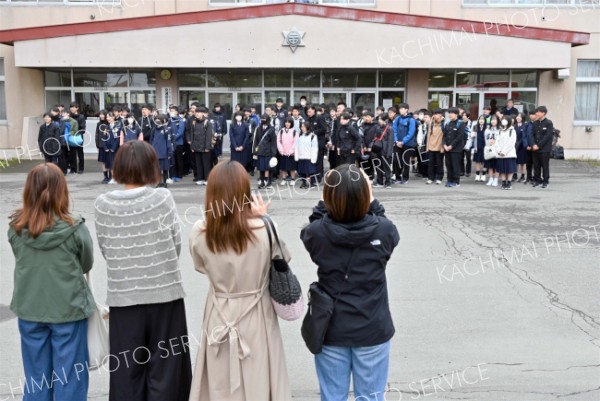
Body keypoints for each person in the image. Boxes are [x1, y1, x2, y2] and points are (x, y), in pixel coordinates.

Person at [94, 141, 192, 401]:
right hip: (165, 296)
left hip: (124, 298)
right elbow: (176, 243)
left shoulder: (103, 204)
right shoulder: (162, 197)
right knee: (167, 371)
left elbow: (106, 248)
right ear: (152, 165)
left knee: (127, 373)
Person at [188, 161, 292, 401]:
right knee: (259, 376)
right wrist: (260, 218)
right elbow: (281, 258)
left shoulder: (200, 232)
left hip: (219, 310)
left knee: (219, 379)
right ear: (245, 193)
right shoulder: (265, 229)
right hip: (256, 311)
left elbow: (200, 266)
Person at [300, 164, 399, 401]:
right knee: (371, 397)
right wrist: (372, 199)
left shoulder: (317, 234)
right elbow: (383, 223)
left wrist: (329, 198)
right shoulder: (384, 231)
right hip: (372, 327)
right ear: (366, 195)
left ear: (328, 196)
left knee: (333, 396)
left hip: (331, 328)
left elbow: (315, 221)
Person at [9, 163, 95, 401]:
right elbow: (86, 263)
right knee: (70, 377)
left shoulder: (15, 228)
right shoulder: (75, 227)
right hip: (68, 308)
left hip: (30, 308)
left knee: (36, 376)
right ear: (62, 190)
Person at [187, 106, 214, 186]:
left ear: (203, 113)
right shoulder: (194, 122)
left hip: (205, 147)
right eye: (196, 112)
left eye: (198, 112)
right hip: (196, 146)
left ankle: (207, 179)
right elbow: (192, 134)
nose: (196, 114)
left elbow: (209, 136)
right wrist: (192, 146)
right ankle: (200, 178)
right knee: (198, 163)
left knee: (206, 164)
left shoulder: (207, 123)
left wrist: (207, 147)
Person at [392, 103, 417, 185]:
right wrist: (396, 141)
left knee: (405, 161)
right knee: (396, 160)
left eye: (402, 108)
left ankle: (405, 178)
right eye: (400, 109)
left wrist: (403, 142)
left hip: (408, 144)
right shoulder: (398, 119)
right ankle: (398, 177)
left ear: (407, 109)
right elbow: (394, 130)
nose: (400, 110)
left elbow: (411, 133)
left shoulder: (411, 120)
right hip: (397, 143)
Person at [253, 113, 277, 189]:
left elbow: (273, 142)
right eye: (262, 119)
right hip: (260, 151)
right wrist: (255, 151)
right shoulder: (258, 128)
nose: (263, 121)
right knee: (261, 167)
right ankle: (262, 180)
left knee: (269, 167)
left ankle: (269, 182)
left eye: (265, 119)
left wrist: (273, 153)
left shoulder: (272, 129)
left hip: (268, 152)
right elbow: (255, 141)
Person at [443, 107, 465, 188]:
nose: (449, 115)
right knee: (448, 165)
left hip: (456, 149)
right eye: (449, 113)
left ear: (456, 114)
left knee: (455, 165)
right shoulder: (448, 123)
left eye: (451, 113)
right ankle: (449, 180)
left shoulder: (461, 123)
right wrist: (444, 145)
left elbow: (459, 137)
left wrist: (451, 146)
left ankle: (456, 181)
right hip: (447, 148)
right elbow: (444, 135)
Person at [532, 106, 553, 189]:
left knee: (545, 165)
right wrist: (533, 144)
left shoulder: (548, 123)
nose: (537, 113)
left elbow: (547, 136)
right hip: (535, 148)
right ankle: (537, 180)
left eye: (539, 112)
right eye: (536, 112)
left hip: (544, 149)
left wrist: (539, 145)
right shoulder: (535, 123)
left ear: (543, 113)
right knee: (536, 165)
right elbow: (532, 135)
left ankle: (545, 181)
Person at [371, 114, 394, 189]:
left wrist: (389, 153)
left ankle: (388, 182)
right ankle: (379, 181)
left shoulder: (390, 129)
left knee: (386, 167)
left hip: (386, 151)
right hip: (378, 150)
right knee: (378, 166)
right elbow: (375, 138)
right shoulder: (378, 128)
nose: (378, 121)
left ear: (385, 120)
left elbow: (391, 142)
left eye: (380, 119)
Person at [151, 114, 175, 188]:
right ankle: (158, 182)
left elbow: (168, 141)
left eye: (158, 119)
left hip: (164, 152)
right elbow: (151, 140)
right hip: (155, 152)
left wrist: (169, 152)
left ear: (163, 121)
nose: (157, 121)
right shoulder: (154, 129)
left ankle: (164, 182)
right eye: (156, 119)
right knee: (157, 169)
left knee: (164, 168)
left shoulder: (166, 129)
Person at [295, 121, 319, 189]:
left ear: (307, 127)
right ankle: (304, 182)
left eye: (303, 127)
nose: (302, 128)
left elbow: (315, 148)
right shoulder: (300, 136)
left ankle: (311, 183)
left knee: (310, 171)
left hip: (309, 156)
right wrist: (297, 155)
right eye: (301, 127)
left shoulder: (313, 136)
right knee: (301, 171)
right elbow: (297, 146)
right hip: (301, 156)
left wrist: (313, 158)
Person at [496, 115, 518, 190]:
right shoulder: (499, 130)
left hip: (509, 153)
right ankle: (503, 182)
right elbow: (497, 141)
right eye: (503, 119)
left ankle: (509, 182)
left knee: (509, 169)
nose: (503, 120)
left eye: (505, 119)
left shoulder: (512, 130)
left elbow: (512, 142)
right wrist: (499, 150)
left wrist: (504, 151)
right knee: (502, 169)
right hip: (500, 153)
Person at [277, 117, 299, 185]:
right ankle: (284, 179)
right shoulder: (281, 131)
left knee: (292, 167)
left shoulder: (295, 132)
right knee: (283, 167)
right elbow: (278, 141)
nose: (287, 124)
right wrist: (281, 150)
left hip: (291, 153)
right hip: (283, 153)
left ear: (291, 123)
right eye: (286, 122)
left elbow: (296, 142)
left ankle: (293, 179)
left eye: (289, 122)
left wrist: (291, 151)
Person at [426, 109, 445, 185]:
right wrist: (427, 146)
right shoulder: (431, 123)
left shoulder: (444, 123)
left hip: (440, 146)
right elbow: (428, 135)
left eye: (437, 114)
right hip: (431, 146)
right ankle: (430, 178)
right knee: (430, 163)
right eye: (434, 114)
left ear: (440, 115)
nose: (435, 116)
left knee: (439, 163)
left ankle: (439, 178)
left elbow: (445, 136)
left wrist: (443, 147)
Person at [169, 105, 187, 182]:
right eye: (170, 111)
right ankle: (173, 175)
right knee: (172, 160)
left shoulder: (181, 120)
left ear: (176, 112)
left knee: (179, 159)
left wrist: (173, 138)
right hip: (170, 143)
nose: (171, 112)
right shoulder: (169, 120)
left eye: (172, 111)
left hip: (178, 143)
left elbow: (180, 132)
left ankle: (179, 175)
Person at [69, 102, 86, 174]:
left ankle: (81, 169)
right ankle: (73, 169)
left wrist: (76, 133)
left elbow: (83, 129)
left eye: (74, 107)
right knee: (72, 154)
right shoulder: (69, 116)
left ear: (77, 108)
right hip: (71, 138)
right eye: (71, 107)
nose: (72, 109)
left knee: (80, 154)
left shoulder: (81, 117)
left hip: (78, 138)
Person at [484, 115, 501, 187]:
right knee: (490, 165)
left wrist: (495, 143)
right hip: (489, 149)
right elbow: (485, 139)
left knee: (497, 165)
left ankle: (496, 179)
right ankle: (490, 178)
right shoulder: (487, 129)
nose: (493, 121)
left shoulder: (500, 129)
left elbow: (501, 139)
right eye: (492, 120)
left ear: (498, 121)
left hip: (497, 149)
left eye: (495, 120)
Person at [95, 110, 110, 183]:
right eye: (100, 114)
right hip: (101, 145)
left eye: (103, 114)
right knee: (103, 161)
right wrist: (97, 145)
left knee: (109, 161)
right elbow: (97, 135)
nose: (101, 116)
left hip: (108, 145)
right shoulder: (98, 124)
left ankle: (111, 176)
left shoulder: (109, 123)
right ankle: (105, 177)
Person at [523, 110, 537, 184]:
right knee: (528, 164)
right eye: (530, 114)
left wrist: (533, 145)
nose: (532, 116)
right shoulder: (527, 124)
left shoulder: (538, 124)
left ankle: (535, 178)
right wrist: (526, 145)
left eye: (533, 114)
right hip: (528, 147)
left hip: (535, 148)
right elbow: (524, 136)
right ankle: (528, 177)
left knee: (536, 164)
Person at [472, 115, 488, 182]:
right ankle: (477, 175)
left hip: (485, 147)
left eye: (483, 119)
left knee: (484, 162)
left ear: (485, 121)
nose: (481, 120)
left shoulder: (487, 128)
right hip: (477, 147)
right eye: (480, 119)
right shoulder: (475, 127)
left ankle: (483, 175)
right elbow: (472, 137)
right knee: (477, 161)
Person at [514, 112, 528, 182]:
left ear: (522, 118)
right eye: (517, 116)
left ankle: (522, 176)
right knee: (515, 161)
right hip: (514, 147)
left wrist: (519, 144)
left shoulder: (525, 126)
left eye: (520, 116)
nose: (518, 118)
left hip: (522, 147)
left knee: (522, 162)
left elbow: (524, 137)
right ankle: (515, 175)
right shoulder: (514, 126)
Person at [460, 111, 474, 178]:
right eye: (463, 115)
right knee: (461, 157)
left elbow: (473, 133)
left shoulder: (471, 124)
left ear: (468, 116)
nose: (463, 116)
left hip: (469, 142)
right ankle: (461, 171)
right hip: (461, 142)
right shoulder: (460, 123)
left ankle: (468, 171)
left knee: (468, 158)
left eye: (465, 115)